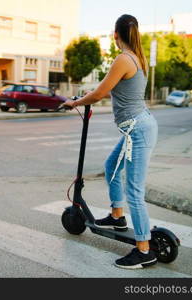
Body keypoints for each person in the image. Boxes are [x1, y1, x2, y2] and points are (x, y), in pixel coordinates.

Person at [63, 14, 158, 269]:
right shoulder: (138, 58)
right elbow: (107, 88)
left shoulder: (124, 59)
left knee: (135, 192)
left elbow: (101, 92)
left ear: (116, 34)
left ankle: (144, 249)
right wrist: (87, 96)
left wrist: (76, 102)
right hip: (136, 129)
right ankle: (117, 216)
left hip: (138, 130)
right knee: (111, 167)